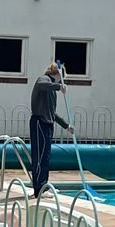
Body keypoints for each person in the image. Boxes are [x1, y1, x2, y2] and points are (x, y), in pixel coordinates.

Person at [28, 61, 73, 198]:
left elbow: (52, 113)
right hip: (39, 122)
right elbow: (42, 85)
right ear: (57, 75)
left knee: (46, 157)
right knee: (40, 156)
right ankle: (39, 188)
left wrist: (66, 125)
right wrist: (58, 86)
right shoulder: (44, 79)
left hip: (47, 124)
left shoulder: (52, 91)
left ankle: (43, 186)